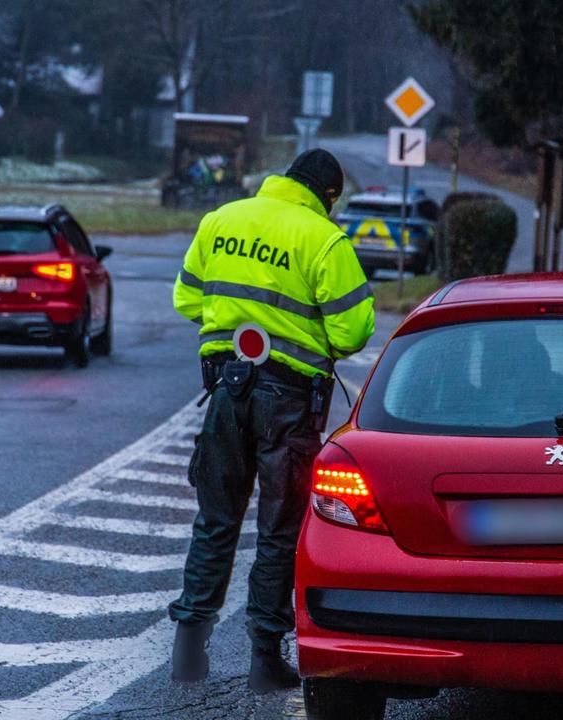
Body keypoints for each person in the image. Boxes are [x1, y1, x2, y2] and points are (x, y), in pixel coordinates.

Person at [168, 149, 376, 693]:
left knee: (215, 521)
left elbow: (187, 299)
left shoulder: (222, 221)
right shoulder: (323, 239)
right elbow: (353, 332)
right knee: (279, 532)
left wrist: (235, 320)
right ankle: (265, 659)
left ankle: (188, 650)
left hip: (225, 389)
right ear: (328, 195)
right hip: (289, 400)